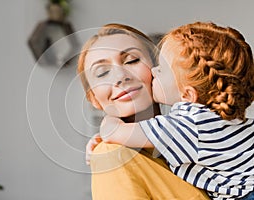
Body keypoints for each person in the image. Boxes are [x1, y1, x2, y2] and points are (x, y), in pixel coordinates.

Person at [99, 22, 254, 199]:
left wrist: (108, 118)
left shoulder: (186, 126)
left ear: (187, 95)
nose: (153, 71)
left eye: (161, 69)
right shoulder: (227, 118)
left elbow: (114, 132)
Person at [77, 23, 209, 199]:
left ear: (160, 70)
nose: (120, 76)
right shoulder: (110, 156)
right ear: (94, 98)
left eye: (132, 60)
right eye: (102, 73)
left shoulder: (197, 132)